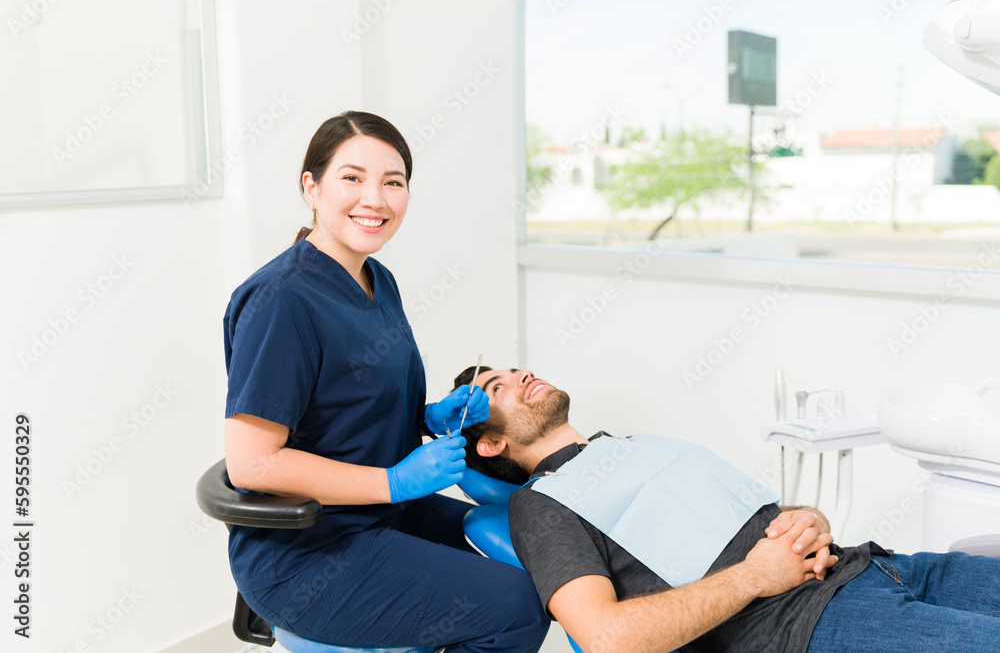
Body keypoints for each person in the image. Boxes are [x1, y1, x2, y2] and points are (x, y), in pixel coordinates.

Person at [221, 112, 548, 652]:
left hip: (384, 515)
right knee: (514, 605)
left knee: (549, 556)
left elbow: (345, 407)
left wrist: (428, 417)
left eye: (392, 183)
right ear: (312, 186)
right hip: (309, 552)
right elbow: (252, 463)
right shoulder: (282, 300)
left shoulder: (378, 279)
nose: (374, 199)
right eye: (352, 178)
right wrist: (394, 481)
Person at [454, 365, 1000, 653]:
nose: (520, 375)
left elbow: (745, 520)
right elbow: (606, 638)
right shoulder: (542, 504)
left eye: (515, 368)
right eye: (497, 387)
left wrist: (810, 517)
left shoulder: (635, 446)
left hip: (877, 565)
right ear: (489, 445)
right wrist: (755, 577)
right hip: (810, 622)